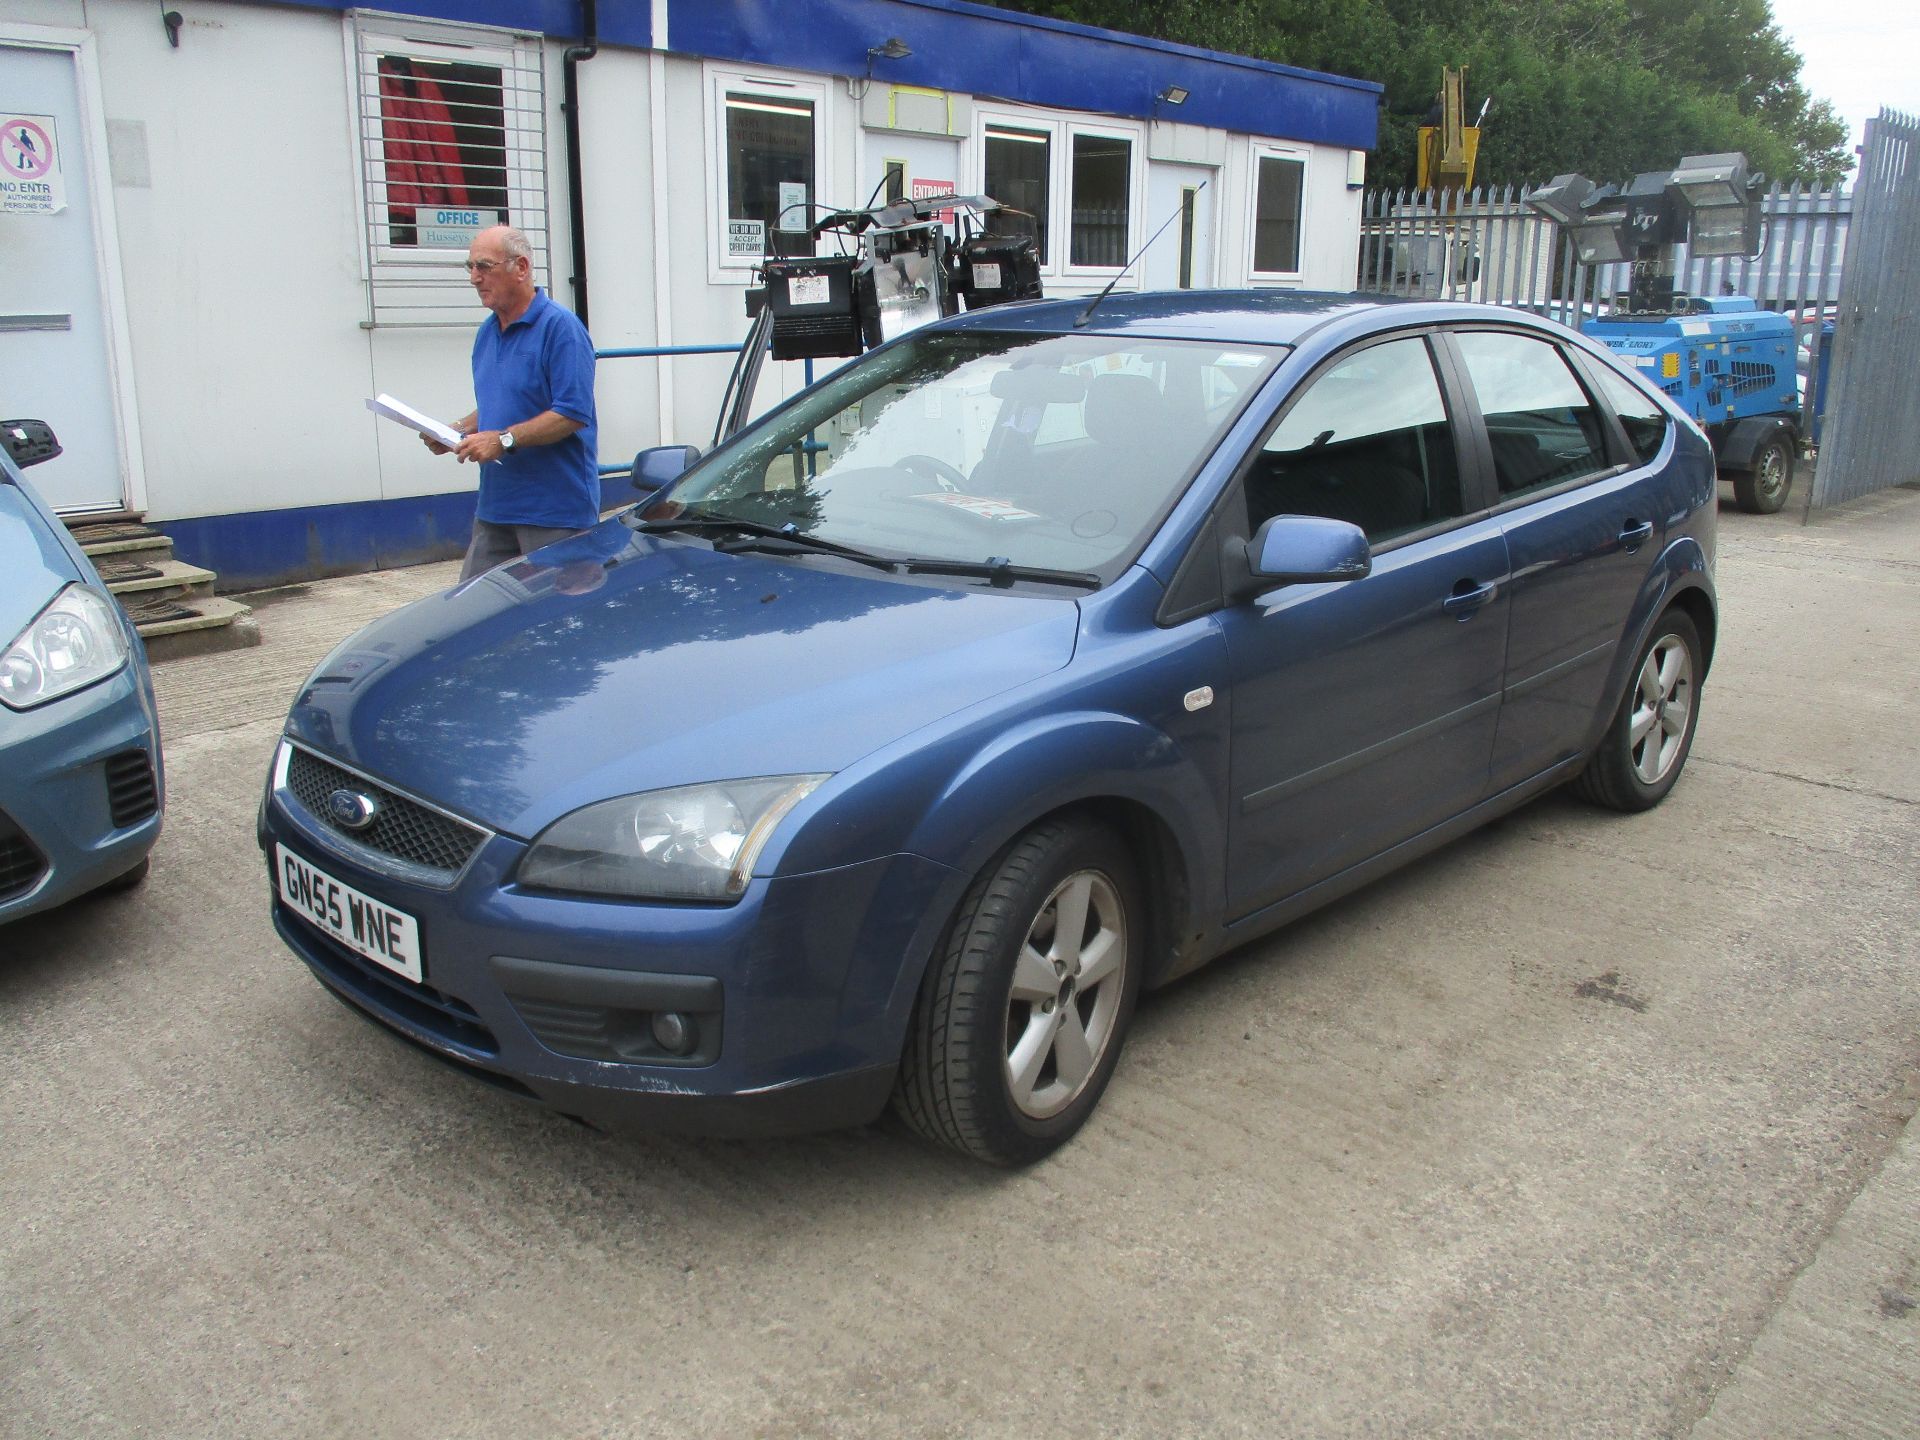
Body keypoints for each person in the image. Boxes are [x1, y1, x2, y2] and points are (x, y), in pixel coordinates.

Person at [423, 224, 599, 581]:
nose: (474, 278)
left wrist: (503, 440)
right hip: (496, 507)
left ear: (521, 268)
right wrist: (455, 431)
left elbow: (571, 413)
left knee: (554, 620)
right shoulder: (488, 332)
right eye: (470, 267)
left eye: (484, 266)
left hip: (554, 512)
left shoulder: (561, 329)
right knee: (474, 611)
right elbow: (501, 401)